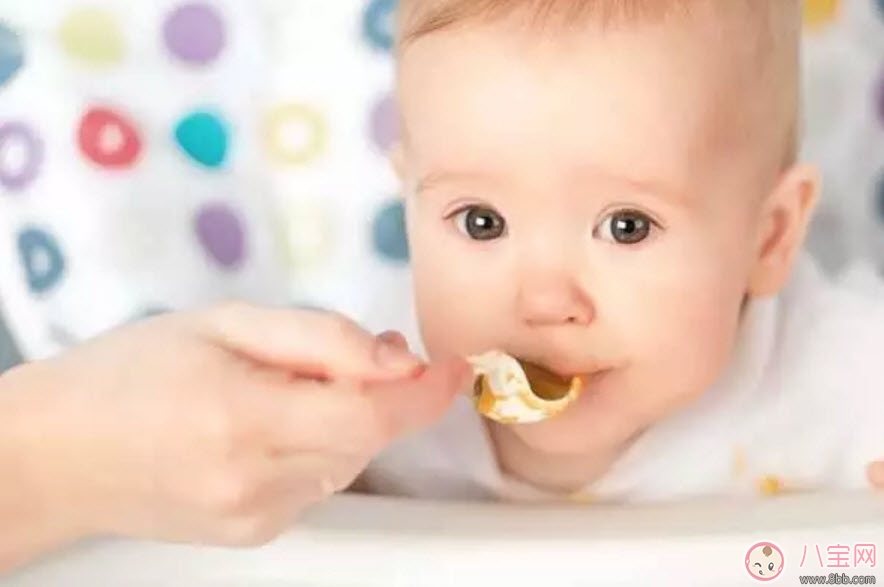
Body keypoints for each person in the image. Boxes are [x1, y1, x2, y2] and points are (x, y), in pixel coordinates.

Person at [4, 0, 884, 576]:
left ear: (769, 236)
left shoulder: (848, 380)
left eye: (626, 225)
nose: (542, 298)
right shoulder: (363, 409)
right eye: (480, 222)